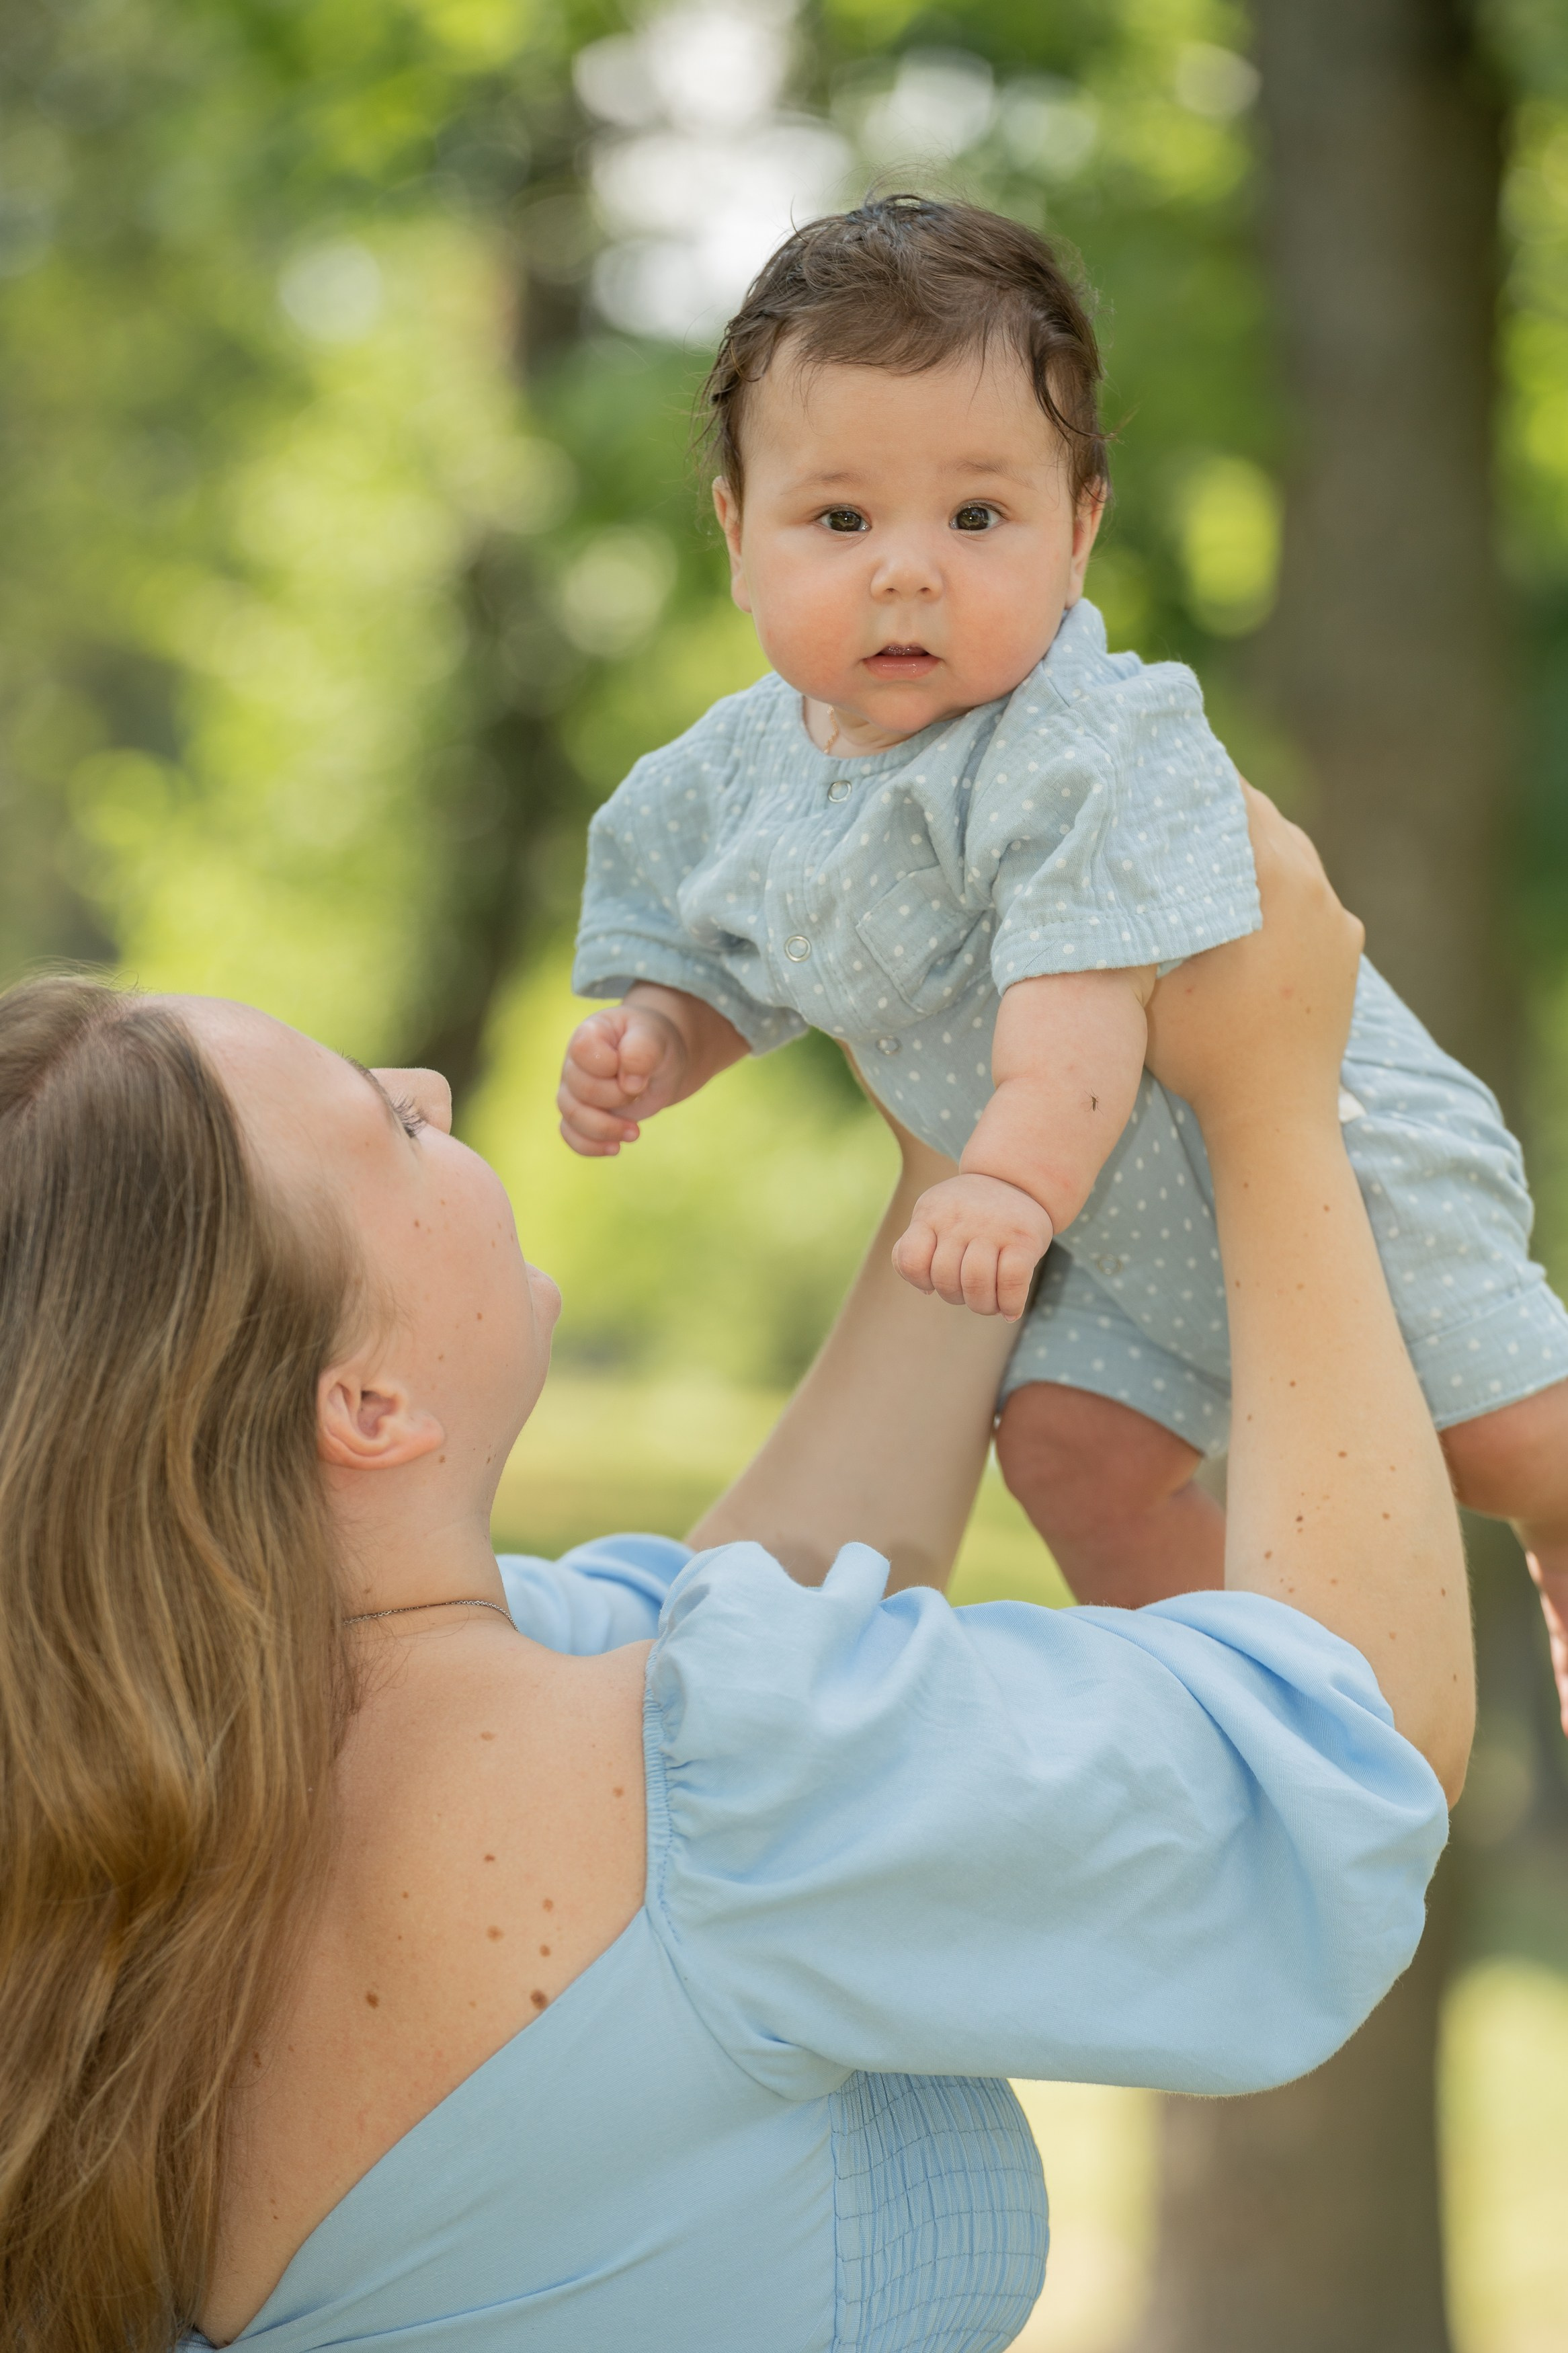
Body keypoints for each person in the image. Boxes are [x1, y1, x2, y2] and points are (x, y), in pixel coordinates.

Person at [0, 796, 1467, 2353]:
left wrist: (968, 1153)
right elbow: (1346, 1738)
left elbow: (779, 1596)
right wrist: (1274, 1104)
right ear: (364, 1407)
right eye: (392, 1126)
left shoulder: (145, 1806)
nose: (430, 1084)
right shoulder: (701, 1786)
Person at [559, 193, 1568, 1716]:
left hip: (1313, 1154)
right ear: (738, 536)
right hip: (1113, 1235)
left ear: (1079, 530)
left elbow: (1079, 1011)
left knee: (1500, 1441)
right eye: (841, 521)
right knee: (1067, 1454)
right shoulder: (729, 773)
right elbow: (717, 952)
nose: (908, 572)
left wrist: (1008, 1188)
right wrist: (658, 1035)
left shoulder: (1079, 740)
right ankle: (1243, 1718)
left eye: (977, 518)